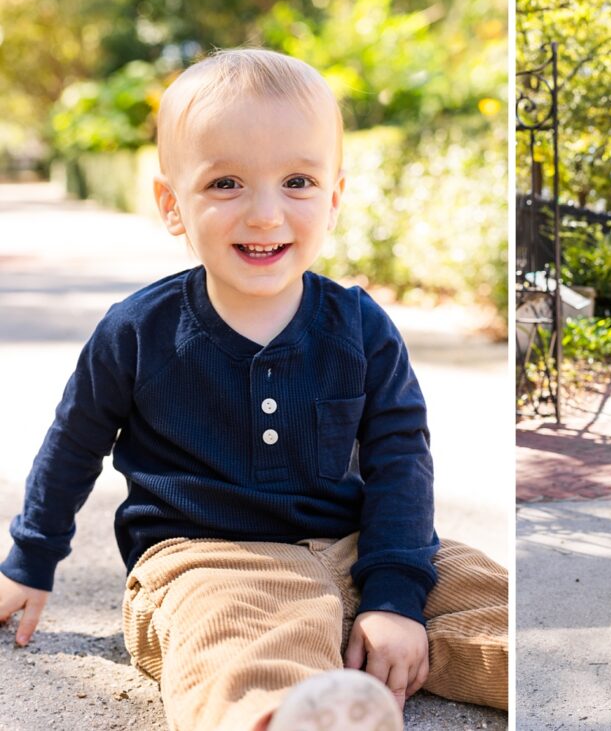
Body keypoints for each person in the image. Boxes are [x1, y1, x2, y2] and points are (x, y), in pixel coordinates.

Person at [0, 48, 507, 731]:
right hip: (208, 558)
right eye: (227, 183)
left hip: (354, 542)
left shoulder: (361, 327)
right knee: (235, 644)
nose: (266, 214)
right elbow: (72, 443)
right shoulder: (138, 331)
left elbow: (399, 464)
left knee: (482, 593)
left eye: (297, 180)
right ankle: (278, 717)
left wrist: (394, 596)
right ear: (171, 204)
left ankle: (399, 644)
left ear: (334, 197)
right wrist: (29, 562)